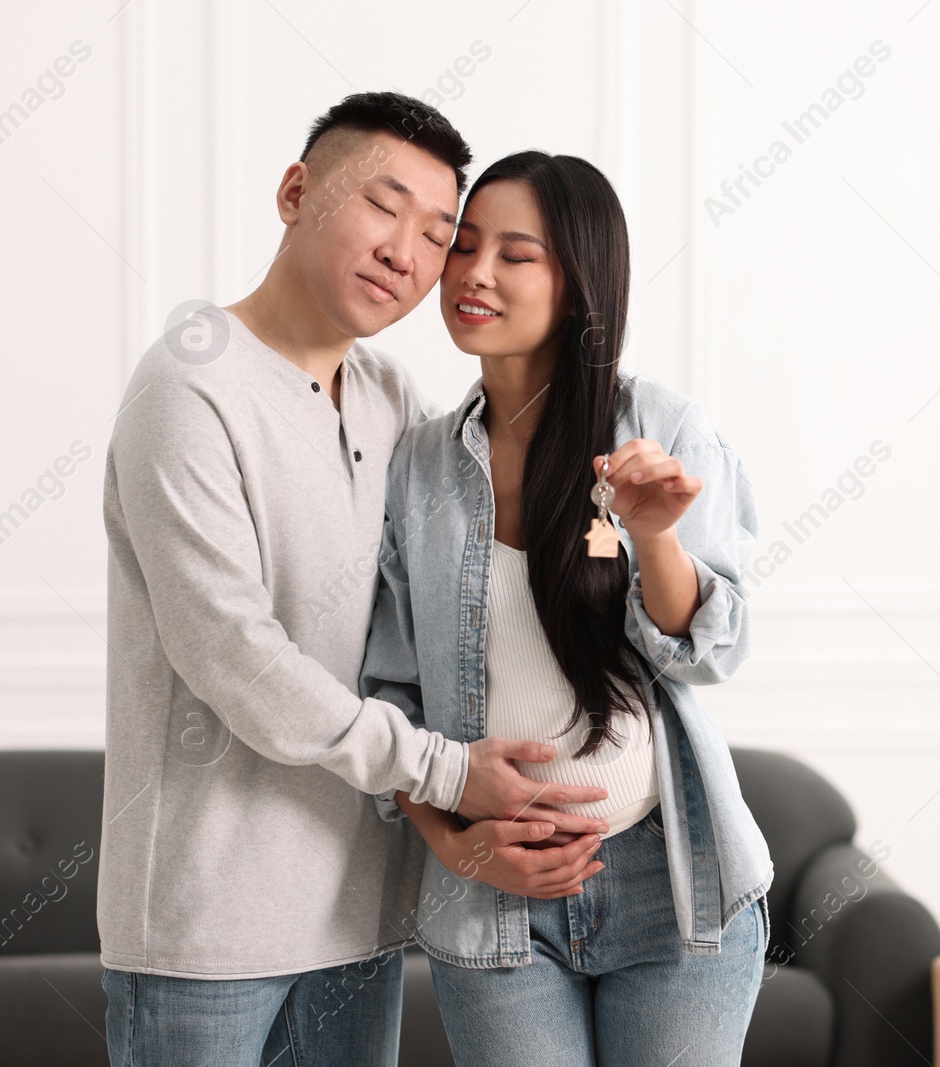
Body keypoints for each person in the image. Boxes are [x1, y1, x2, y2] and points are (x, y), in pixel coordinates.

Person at [98, 94, 616, 1067]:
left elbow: (428, 631)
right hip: (205, 931)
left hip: (359, 919)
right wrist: (452, 772)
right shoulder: (189, 384)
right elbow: (232, 651)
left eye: (437, 235)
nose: (407, 254)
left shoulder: (391, 401)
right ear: (296, 192)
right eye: (383, 207)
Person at [360, 150, 774, 1066]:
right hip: (493, 894)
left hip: (670, 887)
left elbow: (708, 650)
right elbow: (391, 697)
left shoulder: (657, 429)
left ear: (580, 282)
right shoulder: (419, 465)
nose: (473, 273)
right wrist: (460, 851)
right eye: (463, 246)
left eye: (517, 254)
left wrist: (655, 535)